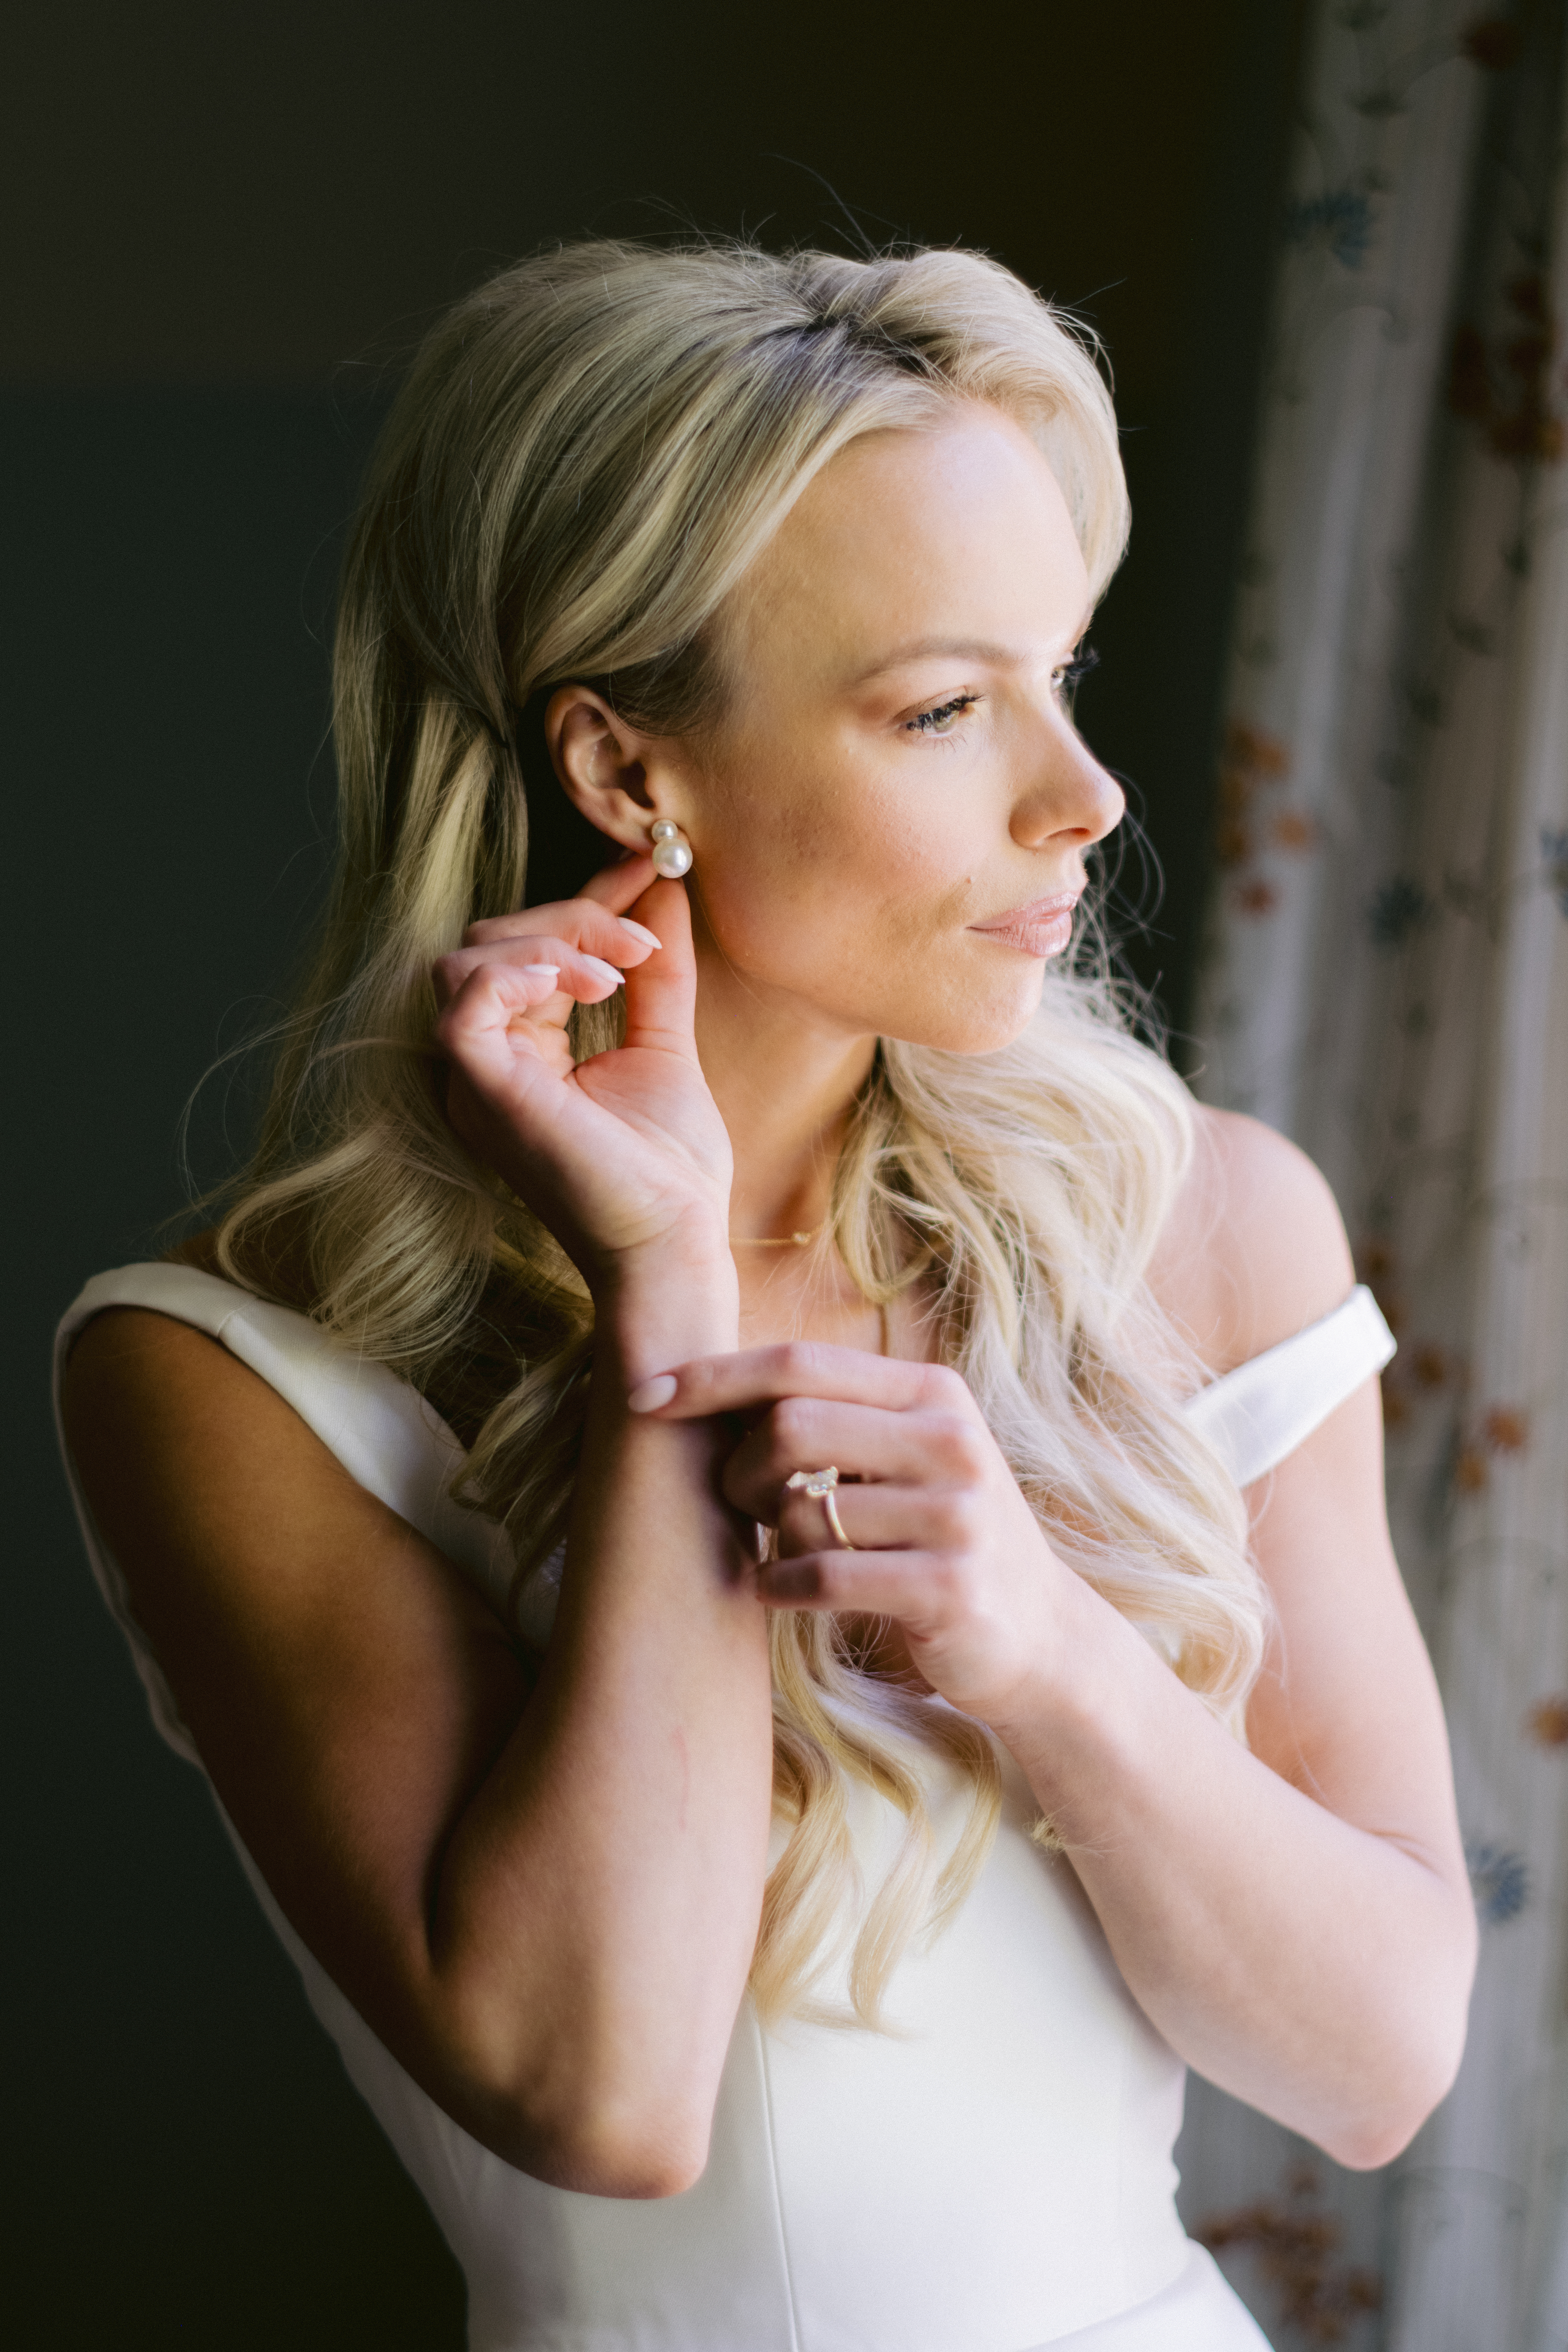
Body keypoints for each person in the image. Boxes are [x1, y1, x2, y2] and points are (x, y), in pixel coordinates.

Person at [55, 240, 1476, 2351]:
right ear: (630, 775)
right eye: (937, 706)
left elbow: (1374, 2075)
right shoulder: (224, 1375)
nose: (1079, 799)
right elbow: (600, 2091)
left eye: (1060, 674)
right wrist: (665, 1287)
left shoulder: (1205, 1231)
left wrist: (1040, 1651)